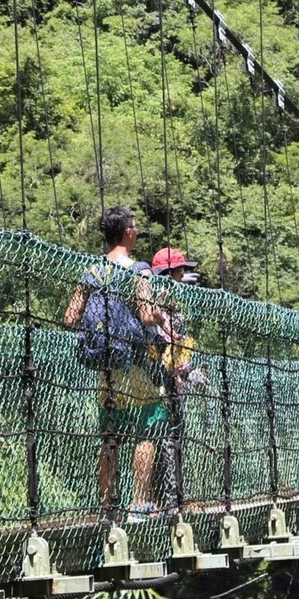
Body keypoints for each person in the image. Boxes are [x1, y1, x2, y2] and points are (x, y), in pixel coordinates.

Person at [64, 205, 166, 522]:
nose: (136, 230)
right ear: (127, 233)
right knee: (146, 429)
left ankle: (108, 509)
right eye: (134, 226)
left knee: (110, 437)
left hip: (105, 369)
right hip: (135, 366)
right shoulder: (139, 269)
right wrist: (161, 313)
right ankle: (138, 505)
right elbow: (149, 315)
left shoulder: (91, 273)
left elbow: (70, 319)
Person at [148, 247, 207, 512]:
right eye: (180, 270)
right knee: (166, 441)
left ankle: (174, 499)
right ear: (168, 273)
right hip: (160, 381)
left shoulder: (172, 302)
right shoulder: (157, 304)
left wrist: (187, 369)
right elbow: (159, 346)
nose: (183, 275)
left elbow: (181, 346)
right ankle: (169, 502)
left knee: (173, 440)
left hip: (172, 378)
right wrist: (176, 372)